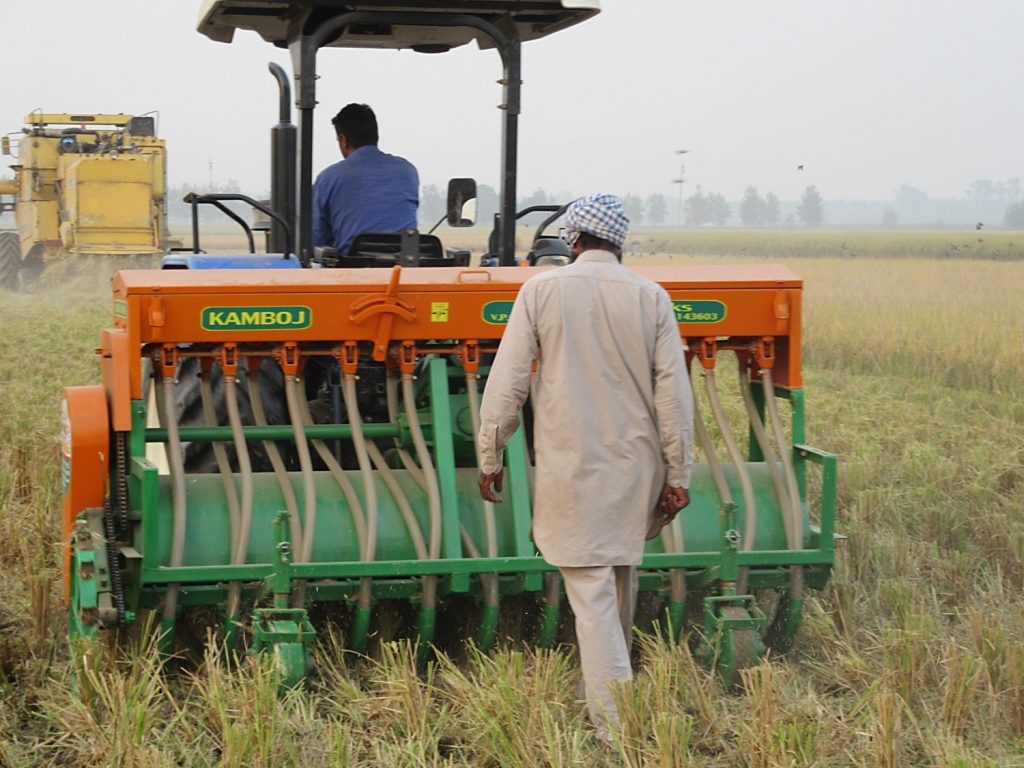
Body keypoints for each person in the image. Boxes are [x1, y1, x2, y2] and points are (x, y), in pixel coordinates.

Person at [476, 192, 695, 743]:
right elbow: (674, 396)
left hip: (575, 465)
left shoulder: (542, 290)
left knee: (594, 588)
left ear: (573, 240)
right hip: (635, 466)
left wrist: (490, 453)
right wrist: (678, 474)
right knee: (616, 577)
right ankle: (602, 695)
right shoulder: (651, 297)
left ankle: (616, 728)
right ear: (619, 242)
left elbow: (508, 383)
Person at [312, 103, 419, 256]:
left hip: (353, 273)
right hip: (406, 271)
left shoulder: (328, 178)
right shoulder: (407, 171)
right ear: (376, 134)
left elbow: (318, 238)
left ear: (343, 140)